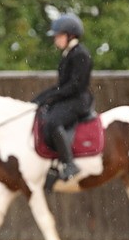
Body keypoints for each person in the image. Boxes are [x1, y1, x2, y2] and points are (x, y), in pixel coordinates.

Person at [32, 13, 93, 189]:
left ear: (70, 35)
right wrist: (39, 99)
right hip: (70, 98)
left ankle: (69, 164)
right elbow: (61, 86)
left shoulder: (80, 54)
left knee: (53, 121)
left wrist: (52, 97)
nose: (55, 40)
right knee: (43, 116)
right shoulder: (68, 54)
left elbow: (75, 86)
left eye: (58, 36)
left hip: (78, 100)